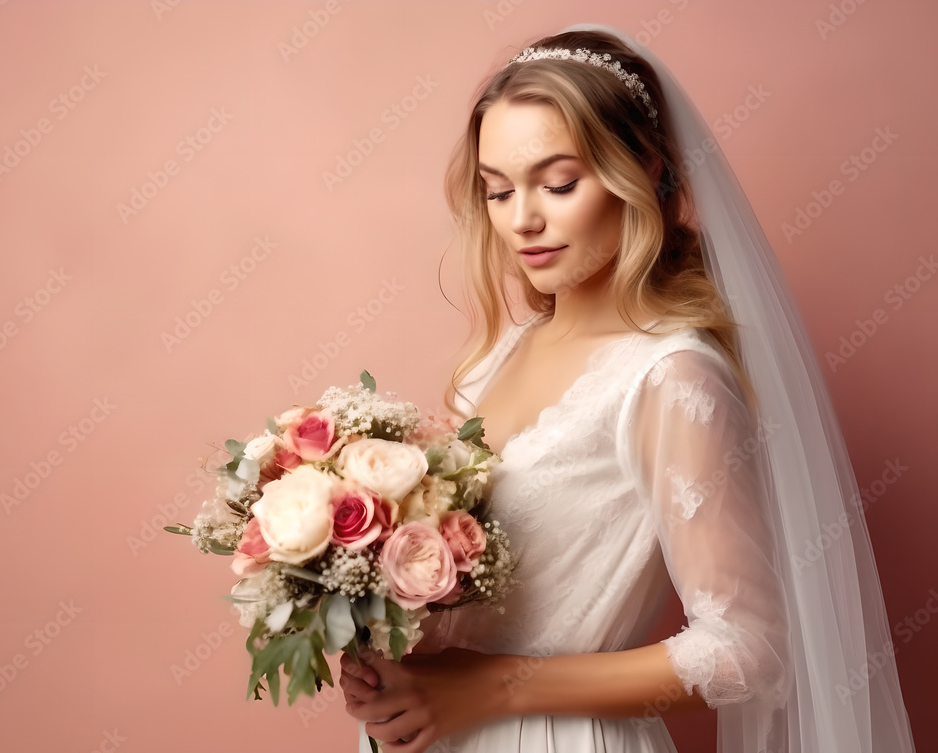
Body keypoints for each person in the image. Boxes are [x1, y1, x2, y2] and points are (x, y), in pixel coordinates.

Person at [338, 24, 917, 753]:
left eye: (558, 183)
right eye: (497, 190)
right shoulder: (502, 353)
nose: (524, 220)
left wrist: (489, 686)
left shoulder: (671, 375)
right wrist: (387, 650)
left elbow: (746, 644)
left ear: (638, 169)